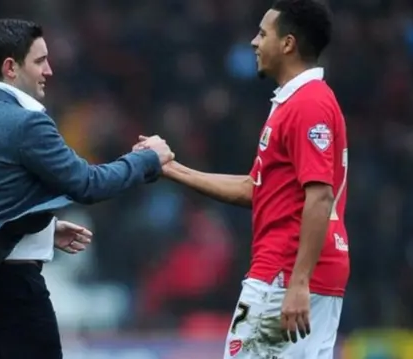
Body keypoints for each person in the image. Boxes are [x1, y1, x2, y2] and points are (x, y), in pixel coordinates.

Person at [0, 19, 174, 359]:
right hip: (18, 290)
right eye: (40, 60)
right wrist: (146, 160)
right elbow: (87, 184)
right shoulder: (27, 122)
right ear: (11, 67)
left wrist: (43, 230)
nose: (49, 70)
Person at [136, 0, 347, 357]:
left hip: (284, 272)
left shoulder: (307, 104)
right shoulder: (298, 101)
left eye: (263, 33)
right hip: (303, 271)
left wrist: (298, 281)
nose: (254, 41)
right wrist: (171, 168)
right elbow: (255, 189)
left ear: (288, 44)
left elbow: (320, 196)